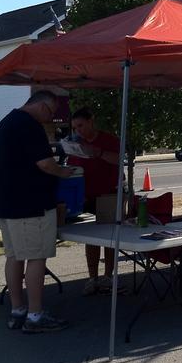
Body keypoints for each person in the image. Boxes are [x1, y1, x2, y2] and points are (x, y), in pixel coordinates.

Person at [0, 90, 74, 333]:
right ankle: (35, 315)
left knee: (14, 257)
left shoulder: (6, 122)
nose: (50, 118)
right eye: (51, 113)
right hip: (31, 205)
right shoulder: (29, 125)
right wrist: (64, 172)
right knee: (36, 258)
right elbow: (45, 163)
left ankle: (18, 310)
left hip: (7, 203)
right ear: (42, 106)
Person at [66, 107, 121, 295]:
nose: (78, 131)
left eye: (81, 125)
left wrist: (98, 153)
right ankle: (93, 278)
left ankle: (108, 276)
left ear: (91, 121)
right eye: (75, 128)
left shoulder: (109, 140)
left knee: (110, 238)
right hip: (86, 198)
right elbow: (72, 170)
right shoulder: (76, 145)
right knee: (91, 240)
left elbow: (119, 160)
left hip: (108, 196)